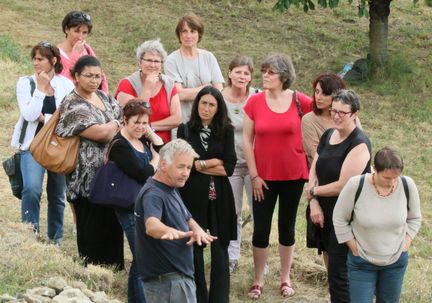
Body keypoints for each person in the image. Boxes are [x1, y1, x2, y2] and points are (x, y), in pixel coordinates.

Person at [243, 53, 312, 299]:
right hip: (263, 178)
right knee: (261, 229)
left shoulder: (300, 101)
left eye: (270, 72)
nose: (265, 76)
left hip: (294, 176)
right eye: (264, 71)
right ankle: (258, 279)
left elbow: (326, 116)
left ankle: (285, 278)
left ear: (284, 76)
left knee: (287, 227)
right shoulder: (255, 102)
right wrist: (253, 175)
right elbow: (246, 140)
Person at [56, 55, 124, 268]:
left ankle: (113, 271)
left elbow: (124, 121)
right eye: (88, 76)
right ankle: (91, 272)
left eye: (98, 76)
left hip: (111, 175)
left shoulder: (104, 97)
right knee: (91, 228)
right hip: (85, 177)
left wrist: (112, 125)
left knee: (112, 225)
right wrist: (114, 123)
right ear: (76, 76)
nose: (94, 80)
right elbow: (101, 134)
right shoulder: (72, 103)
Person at [305, 89, 372, 303]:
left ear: (355, 114)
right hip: (321, 212)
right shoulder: (327, 135)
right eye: (333, 111)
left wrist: (313, 192)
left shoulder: (359, 143)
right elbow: (314, 169)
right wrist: (314, 202)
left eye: (342, 113)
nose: (336, 116)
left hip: (346, 217)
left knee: (340, 274)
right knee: (330, 268)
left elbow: (343, 185)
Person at [333, 147, 422, 303]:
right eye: (387, 178)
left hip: (395, 261)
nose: (392, 182)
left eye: (396, 177)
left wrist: (406, 243)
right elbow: (339, 218)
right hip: (362, 262)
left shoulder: (408, 185)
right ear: (374, 169)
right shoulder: (356, 185)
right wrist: (353, 247)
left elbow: (415, 218)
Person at [135, 139, 217, 303]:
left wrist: (197, 230)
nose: (186, 173)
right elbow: (151, 225)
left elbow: (186, 216)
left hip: (175, 280)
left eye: (188, 167)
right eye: (181, 167)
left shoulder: (170, 187)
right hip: (169, 284)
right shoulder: (154, 194)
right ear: (163, 164)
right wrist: (167, 231)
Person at [177, 86, 237, 303]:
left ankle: (219, 298)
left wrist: (200, 164)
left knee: (220, 246)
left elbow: (229, 168)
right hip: (192, 194)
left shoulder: (226, 130)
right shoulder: (184, 130)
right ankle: (198, 297)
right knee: (195, 244)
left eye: (212, 104)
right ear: (197, 104)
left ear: (218, 108)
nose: (207, 108)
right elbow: (185, 164)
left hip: (220, 194)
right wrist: (213, 161)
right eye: (204, 103)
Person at [11, 41, 74, 244]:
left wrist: (45, 118)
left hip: (58, 146)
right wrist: (40, 88)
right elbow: (29, 114)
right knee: (31, 189)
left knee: (57, 194)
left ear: (53, 61)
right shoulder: (25, 83)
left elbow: (66, 118)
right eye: (34, 59)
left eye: (40, 59)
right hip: (32, 146)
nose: (35, 63)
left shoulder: (66, 85)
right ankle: (30, 235)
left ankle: (56, 239)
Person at [108, 100, 164, 303]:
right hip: (128, 206)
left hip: (145, 204)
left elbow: (162, 149)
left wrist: (151, 134)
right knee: (143, 256)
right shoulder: (120, 145)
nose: (140, 127)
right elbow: (142, 173)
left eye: (145, 122)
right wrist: (155, 159)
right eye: (136, 122)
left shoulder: (141, 140)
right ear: (125, 120)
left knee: (141, 257)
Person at [221, 55, 256, 274]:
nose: (242, 76)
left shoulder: (257, 97)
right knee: (232, 213)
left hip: (254, 165)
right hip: (231, 164)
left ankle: (261, 258)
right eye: (238, 71)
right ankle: (232, 257)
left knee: (258, 213)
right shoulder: (220, 97)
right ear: (230, 73)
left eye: (246, 73)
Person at [115, 39, 181, 143]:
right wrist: (146, 89)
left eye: (156, 61)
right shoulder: (127, 84)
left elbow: (177, 119)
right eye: (149, 60)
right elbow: (134, 116)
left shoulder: (169, 84)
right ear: (140, 61)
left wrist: (149, 127)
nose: (153, 65)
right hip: (135, 144)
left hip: (164, 146)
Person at [164, 12, 224, 124]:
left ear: (199, 34)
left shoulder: (209, 57)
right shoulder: (171, 60)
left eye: (193, 31)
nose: (188, 36)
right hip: (184, 121)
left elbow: (219, 91)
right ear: (179, 34)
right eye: (184, 31)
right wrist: (207, 87)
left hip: (209, 121)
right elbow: (179, 94)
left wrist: (191, 92)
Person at [302, 74, 346, 168]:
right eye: (317, 92)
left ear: (337, 95)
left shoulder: (349, 117)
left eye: (325, 94)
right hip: (322, 176)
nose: (318, 97)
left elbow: (361, 147)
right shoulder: (308, 120)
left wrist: (328, 148)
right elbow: (317, 156)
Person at [58, 11, 108, 92]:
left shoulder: (87, 48)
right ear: (66, 29)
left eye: (84, 33)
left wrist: (105, 98)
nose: (80, 37)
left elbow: (101, 75)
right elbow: (63, 83)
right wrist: (75, 55)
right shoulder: (55, 54)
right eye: (76, 31)